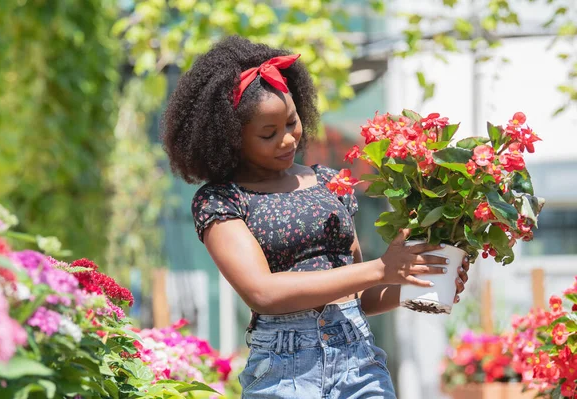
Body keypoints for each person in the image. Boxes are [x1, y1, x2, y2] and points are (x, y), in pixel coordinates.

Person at [161, 36, 470, 399]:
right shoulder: (222, 201)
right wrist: (382, 268)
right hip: (283, 371)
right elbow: (262, 292)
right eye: (268, 133)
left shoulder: (328, 182)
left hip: (359, 363)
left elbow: (357, 293)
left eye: (292, 122)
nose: (288, 140)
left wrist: (415, 282)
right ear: (231, 139)